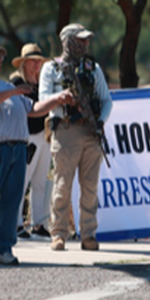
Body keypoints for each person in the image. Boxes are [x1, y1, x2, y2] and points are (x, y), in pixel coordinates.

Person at [0, 38, 70, 266]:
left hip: (17, 150)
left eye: (0, 57)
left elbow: (34, 109)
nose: (0, 61)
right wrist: (13, 92)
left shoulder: (10, 88)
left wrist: (57, 99)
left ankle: (4, 249)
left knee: (12, 201)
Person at [40, 23, 113, 252]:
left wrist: (99, 121)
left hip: (91, 133)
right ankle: (58, 234)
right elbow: (43, 99)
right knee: (62, 185)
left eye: (86, 40)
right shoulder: (51, 69)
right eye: (80, 40)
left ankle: (88, 235)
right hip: (66, 130)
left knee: (90, 188)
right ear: (68, 41)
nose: (85, 44)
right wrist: (61, 98)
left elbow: (107, 100)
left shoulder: (93, 68)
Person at [9, 43, 53, 240]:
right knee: (22, 181)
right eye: (33, 61)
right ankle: (16, 222)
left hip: (44, 135)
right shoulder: (17, 82)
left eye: (39, 61)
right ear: (24, 63)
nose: (37, 65)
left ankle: (39, 223)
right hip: (29, 135)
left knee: (40, 182)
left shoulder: (42, 83)